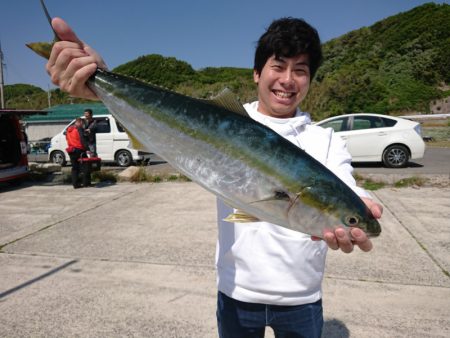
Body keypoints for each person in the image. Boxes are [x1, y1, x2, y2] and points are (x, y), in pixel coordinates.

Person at [46, 16, 383, 337]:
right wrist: (100, 79)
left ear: (310, 79)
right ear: (256, 73)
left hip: (302, 300)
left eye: (300, 70)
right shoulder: (225, 119)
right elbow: (157, 133)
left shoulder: (325, 141)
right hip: (235, 293)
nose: (287, 79)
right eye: (278, 67)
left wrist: (362, 207)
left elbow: (346, 184)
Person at [65, 117, 89, 188]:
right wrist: (87, 148)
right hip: (79, 150)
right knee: (85, 166)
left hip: (71, 150)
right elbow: (82, 139)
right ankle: (85, 183)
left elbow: (67, 139)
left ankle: (75, 184)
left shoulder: (68, 130)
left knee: (74, 168)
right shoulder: (79, 129)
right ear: (80, 122)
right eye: (82, 123)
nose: (83, 125)